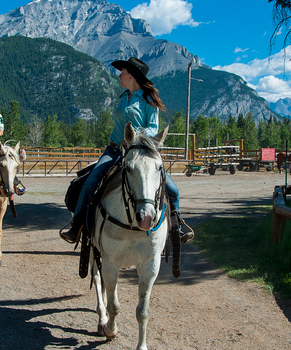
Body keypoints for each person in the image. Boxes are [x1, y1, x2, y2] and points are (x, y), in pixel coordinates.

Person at [60, 57, 193, 244]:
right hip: (114, 149)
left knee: (172, 190)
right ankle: (77, 226)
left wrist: (134, 136)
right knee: (90, 182)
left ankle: (176, 230)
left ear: (131, 75)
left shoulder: (148, 100)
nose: (119, 75)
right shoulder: (124, 97)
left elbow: (153, 128)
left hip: (141, 152)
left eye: (122, 72)